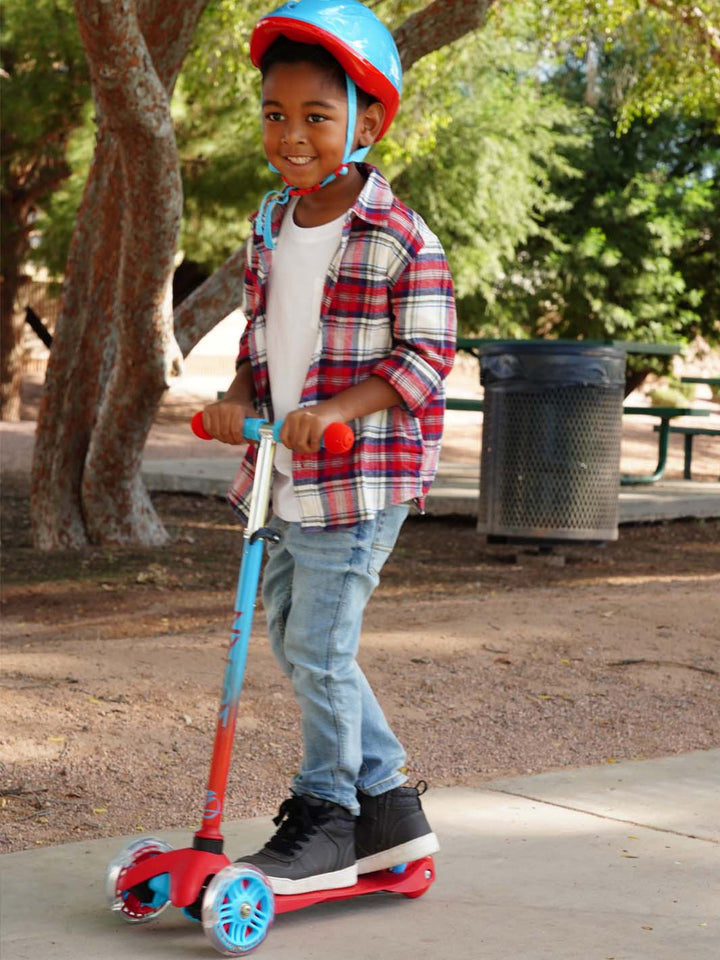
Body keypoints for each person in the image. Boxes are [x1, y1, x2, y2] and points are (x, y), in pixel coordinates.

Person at [201, 0, 456, 896]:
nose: (292, 135)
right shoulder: (271, 220)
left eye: (316, 116)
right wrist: (238, 400)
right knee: (291, 633)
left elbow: (426, 355)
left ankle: (331, 815)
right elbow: (258, 339)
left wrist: (339, 408)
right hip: (283, 472)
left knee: (317, 646)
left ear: (367, 124)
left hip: (359, 476)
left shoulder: (400, 236)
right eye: (276, 114)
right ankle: (389, 805)